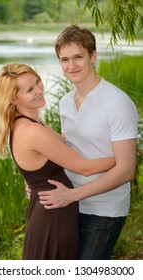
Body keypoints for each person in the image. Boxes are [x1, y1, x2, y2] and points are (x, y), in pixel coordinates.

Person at [0, 62, 115, 260]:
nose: (39, 90)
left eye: (38, 82)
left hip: (52, 212)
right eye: (30, 89)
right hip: (52, 221)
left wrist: (35, 183)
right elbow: (84, 168)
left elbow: (38, 164)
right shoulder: (32, 130)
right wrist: (122, 157)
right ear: (13, 98)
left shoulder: (31, 121)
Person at [38, 25, 138, 260]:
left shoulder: (117, 103)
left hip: (104, 210)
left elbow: (125, 170)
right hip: (71, 205)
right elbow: (70, 153)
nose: (71, 66)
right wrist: (40, 184)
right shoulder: (65, 102)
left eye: (78, 57)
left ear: (93, 56)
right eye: (64, 59)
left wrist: (72, 195)